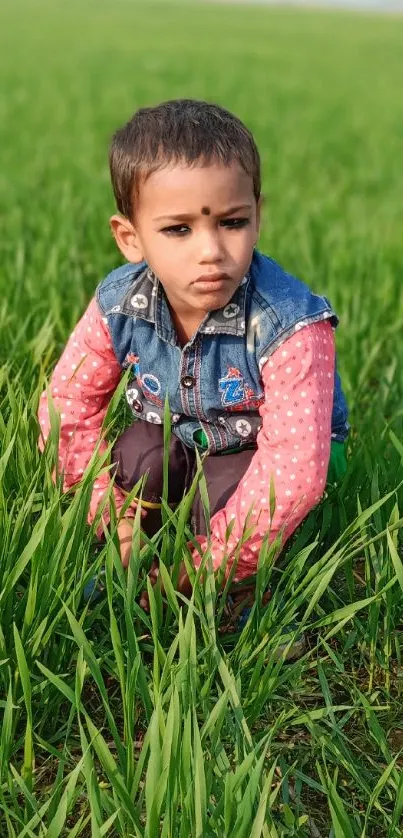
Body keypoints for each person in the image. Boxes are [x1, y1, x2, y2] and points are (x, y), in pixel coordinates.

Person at [38, 99, 349, 607]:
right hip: (184, 431)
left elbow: (293, 471)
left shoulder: (289, 324)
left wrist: (204, 568)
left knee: (228, 492)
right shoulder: (120, 304)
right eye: (178, 229)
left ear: (257, 216)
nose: (211, 251)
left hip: (277, 456)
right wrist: (108, 514)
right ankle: (135, 549)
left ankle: (240, 596)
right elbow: (66, 409)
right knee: (138, 458)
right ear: (130, 237)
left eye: (232, 222)